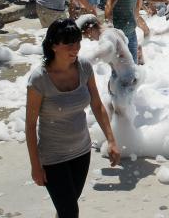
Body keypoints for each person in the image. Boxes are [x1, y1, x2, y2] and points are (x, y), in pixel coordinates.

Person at [25, 18, 120, 218]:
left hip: (81, 152)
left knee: (67, 208)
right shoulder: (39, 79)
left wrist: (111, 140)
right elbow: (30, 125)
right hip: (53, 157)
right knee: (70, 212)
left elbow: (96, 104)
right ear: (53, 46)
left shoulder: (84, 67)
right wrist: (35, 164)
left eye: (77, 42)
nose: (75, 48)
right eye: (69, 44)